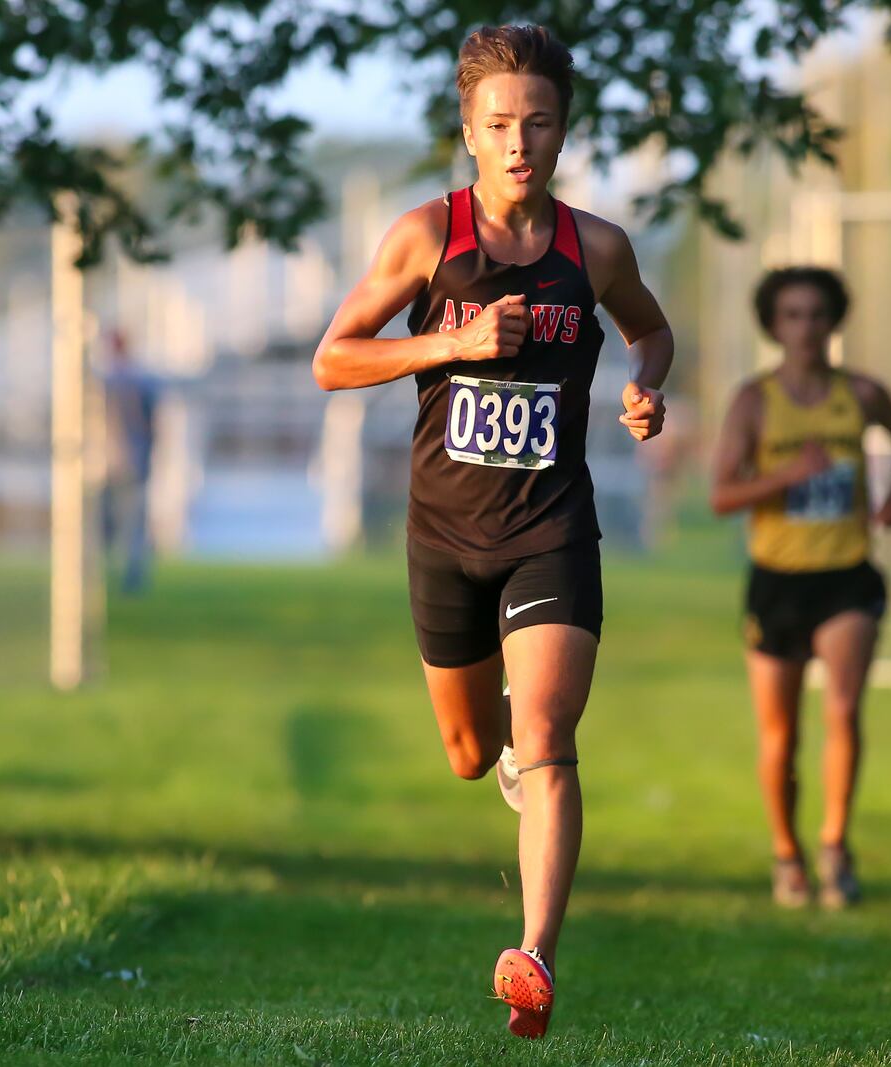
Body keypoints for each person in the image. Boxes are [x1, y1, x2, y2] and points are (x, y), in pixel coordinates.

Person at [312, 24, 672, 1038]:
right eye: (500, 124)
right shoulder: (426, 238)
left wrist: (647, 387)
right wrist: (452, 339)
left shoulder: (594, 247)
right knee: (474, 753)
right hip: (444, 535)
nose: (521, 142)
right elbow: (333, 358)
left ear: (563, 133)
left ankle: (536, 953)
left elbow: (651, 329)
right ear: (469, 132)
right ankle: (505, 756)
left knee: (549, 735)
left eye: (540, 122)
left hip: (551, 526)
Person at [709, 267, 891, 910]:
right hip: (777, 581)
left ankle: (834, 846)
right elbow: (722, 495)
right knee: (781, 735)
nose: (806, 327)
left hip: (846, 576)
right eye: (792, 315)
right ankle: (785, 852)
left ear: (835, 322)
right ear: (773, 326)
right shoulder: (753, 402)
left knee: (845, 711)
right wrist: (788, 475)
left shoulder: (861, 393)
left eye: (817, 314)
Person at [99, 329, 159, 594]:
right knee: (125, 522)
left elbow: (147, 422)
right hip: (125, 460)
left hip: (117, 461)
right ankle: (125, 575)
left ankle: (124, 575)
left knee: (122, 521)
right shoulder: (131, 379)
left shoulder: (113, 380)